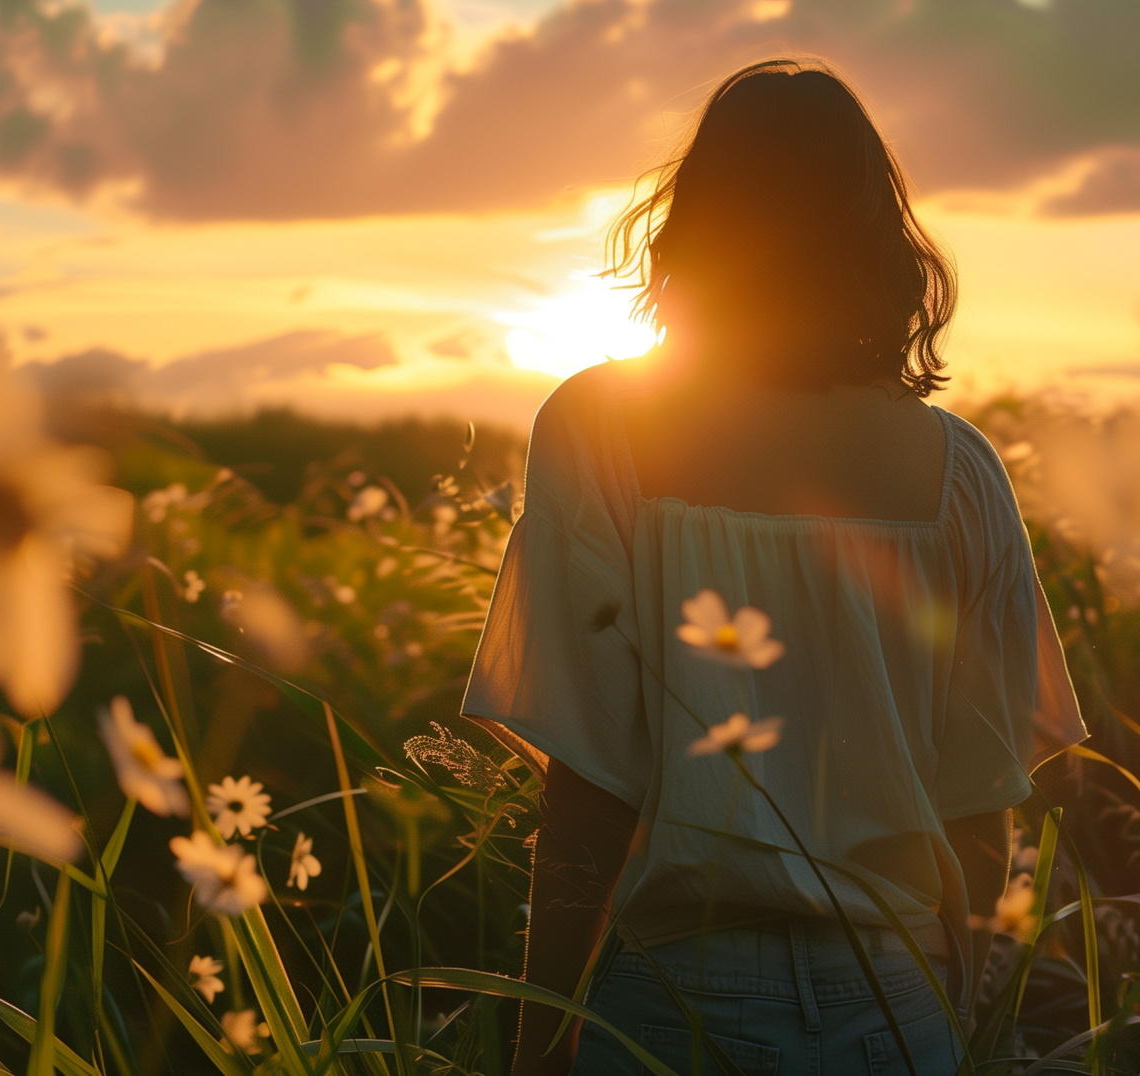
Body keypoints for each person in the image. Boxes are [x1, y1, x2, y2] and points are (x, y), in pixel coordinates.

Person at [462, 57, 1085, 1076]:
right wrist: (953, 1023)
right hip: (902, 999)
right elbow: (981, 815)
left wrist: (539, 1048)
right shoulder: (962, 471)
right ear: (878, 242)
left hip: (678, 996)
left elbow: (588, 799)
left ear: (696, 225)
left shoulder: (599, 429)